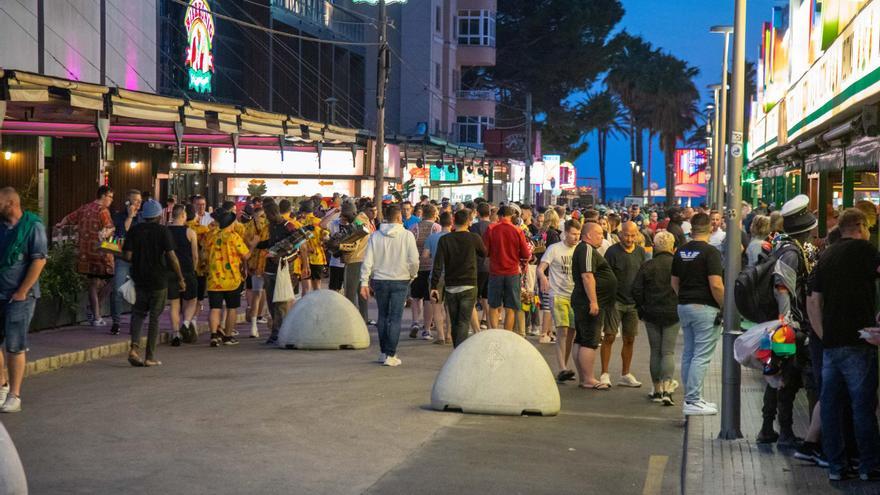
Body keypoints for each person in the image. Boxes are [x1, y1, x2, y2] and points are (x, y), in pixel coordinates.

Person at [808, 208, 880, 482]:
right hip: (859, 339)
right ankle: (868, 465)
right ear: (861, 226)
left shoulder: (827, 254)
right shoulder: (865, 251)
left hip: (830, 344)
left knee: (830, 404)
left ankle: (836, 466)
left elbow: (814, 300)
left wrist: (825, 334)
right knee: (862, 406)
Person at [756, 195, 817, 446]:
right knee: (785, 377)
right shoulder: (792, 253)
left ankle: (768, 428)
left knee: (777, 375)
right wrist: (787, 323)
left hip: (783, 325)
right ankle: (784, 432)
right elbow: (782, 288)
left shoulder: (783, 246)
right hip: (789, 327)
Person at [671, 213, 724, 416]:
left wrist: (685, 298)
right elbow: (716, 284)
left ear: (692, 229)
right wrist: (725, 307)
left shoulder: (681, 251)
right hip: (705, 308)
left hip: (684, 305)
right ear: (710, 228)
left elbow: (674, 283)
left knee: (689, 354)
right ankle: (693, 399)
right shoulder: (711, 253)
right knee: (701, 356)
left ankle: (691, 398)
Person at [0, 188, 47, 413]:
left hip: (20, 297)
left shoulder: (32, 227)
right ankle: (2, 385)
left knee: (15, 345)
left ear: (10, 203)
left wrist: (22, 291)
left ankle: (14, 395)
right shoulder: (1, 228)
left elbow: (39, 261)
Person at [122, 200, 185, 368]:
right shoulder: (163, 231)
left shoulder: (134, 231)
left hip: (139, 278)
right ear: (159, 216)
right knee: (154, 318)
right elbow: (172, 257)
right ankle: (149, 356)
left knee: (138, 314)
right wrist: (180, 278)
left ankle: (134, 349)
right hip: (159, 280)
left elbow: (127, 256)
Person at [360, 205, 419, 366]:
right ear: (399, 218)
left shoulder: (375, 236)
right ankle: (391, 354)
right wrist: (413, 274)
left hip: (379, 280)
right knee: (395, 318)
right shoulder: (407, 236)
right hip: (401, 279)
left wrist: (364, 281)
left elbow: (368, 261)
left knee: (383, 316)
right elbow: (414, 260)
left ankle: (383, 352)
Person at [56, 186, 115, 327]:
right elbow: (109, 229)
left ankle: (96, 315)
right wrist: (112, 239)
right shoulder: (103, 211)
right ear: (103, 196)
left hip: (85, 253)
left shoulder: (84, 208)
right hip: (101, 253)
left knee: (93, 284)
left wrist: (60, 224)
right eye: (110, 197)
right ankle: (96, 312)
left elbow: (69, 218)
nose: (111, 200)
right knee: (112, 280)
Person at [632, 231, 679, 406]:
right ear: (673, 247)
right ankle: (668, 389)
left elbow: (636, 290)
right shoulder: (677, 265)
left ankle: (657, 389)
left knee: (655, 351)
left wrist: (642, 309)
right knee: (668, 352)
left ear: (655, 246)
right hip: (673, 313)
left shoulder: (648, 265)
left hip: (651, 313)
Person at [430, 209, 486, 347]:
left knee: (455, 321)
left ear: (454, 221)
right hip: (469, 283)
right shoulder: (474, 238)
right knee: (463, 321)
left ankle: (457, 349)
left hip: (451, 285)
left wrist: (434, 286)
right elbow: (484, 253)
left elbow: (438, 264)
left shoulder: (445, 239)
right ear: (468, 222)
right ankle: (459, 351)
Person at [570, 222, 617, 390]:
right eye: (599, 234)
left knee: (581, 339)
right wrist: (594, 301)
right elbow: (587, 276)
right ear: (588, 235)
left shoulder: (584, 249)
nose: (602, 237)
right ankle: (589, 378)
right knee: (589, 341)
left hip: (584, 301)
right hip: (588, 303)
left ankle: (584, 377)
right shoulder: (587, 249)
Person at [602, 221, 647, 388]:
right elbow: (605, 276)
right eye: (627, 235)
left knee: (629, 339)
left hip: (633, 303)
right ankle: (604, 374)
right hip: (615, 302)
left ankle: (625, 374)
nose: (629, 238)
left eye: (633, 235)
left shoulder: (641, 253)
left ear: (637, 235)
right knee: (609, 336)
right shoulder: (612, 252)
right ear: (620, 234)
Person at [258, 202, 309, 346]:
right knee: (271, 302)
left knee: (281, 302)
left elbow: (299, 246)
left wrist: (302, 265)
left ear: (273, 213)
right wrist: (258, 245)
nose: (266, 218)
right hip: (269, 270)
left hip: (284, 270)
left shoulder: (289, 225)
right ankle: (276, 331)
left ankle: (278, 333)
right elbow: (271, 242)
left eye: (267, 215)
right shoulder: (271, 226)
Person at [537, 219, 581, 383]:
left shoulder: (580, 249)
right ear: (566, 233)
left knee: (571, 331)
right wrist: (543, 277)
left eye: (578, 234)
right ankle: (562, 367)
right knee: (562, 330)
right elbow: (541, 268)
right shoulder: (554, 249)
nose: (576, 237)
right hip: (558, 294)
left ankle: (565, 367)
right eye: (573, 234)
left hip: (575, 295)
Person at [205, 210, 250, 347]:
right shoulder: (234, 237)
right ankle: (228, 336)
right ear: (231, 223)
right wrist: (253, 245)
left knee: (215, 308)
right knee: (232, 308)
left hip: (214, 279)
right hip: (232, 279)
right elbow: (246, 255)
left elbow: (205, 252)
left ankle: (213, 335)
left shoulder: (211, 235)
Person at [483, 206, 532, 331]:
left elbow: (485, 251)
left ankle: (494, 332)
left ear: (499, 216)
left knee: (494, 305)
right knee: (510, 307)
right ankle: (507, 334)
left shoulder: (491, 228)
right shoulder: (518, 230)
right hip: (512, 273)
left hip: (495, 272)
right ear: (511, 216)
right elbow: (526, 254)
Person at [109, 189, 142, 335]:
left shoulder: (142, 218)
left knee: (138, 292)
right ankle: (116, 322)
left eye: (140, 201)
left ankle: (135, 322)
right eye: (136, 201)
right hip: (122, 258)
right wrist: (129, 217)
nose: (138, 204)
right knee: (116, 289)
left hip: (138, 259)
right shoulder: (118, 217)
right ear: (128, 202)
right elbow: (121, 234)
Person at [166, 205, 199, 347]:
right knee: (192, 299)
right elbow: (195, 255)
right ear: (183, 215)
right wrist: (194, 269)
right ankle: (185, 323)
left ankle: (175, 334)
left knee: (174, 304)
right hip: (187, 270)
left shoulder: (165, 231)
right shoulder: (190, 232)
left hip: (170, 270)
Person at [409, 204, 441, 339]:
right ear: (434, 214)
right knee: (428, 299)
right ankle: (426, 329)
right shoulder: (436, 228)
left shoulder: (414, 228)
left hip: (416, 266)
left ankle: (415, 322)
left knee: (416, 297)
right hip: (431, 267)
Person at [342, 206, 373, 325]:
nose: (344, 220)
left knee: (350, 292)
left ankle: (350, 320)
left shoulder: (356, 224)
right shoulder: (364, 221)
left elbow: (352, 244)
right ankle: (364, 319)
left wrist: (340, 247)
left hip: (354, 261)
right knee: (362, 291)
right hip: (364, 260)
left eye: (345, 217)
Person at [424, 212, 452, 343]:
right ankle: (449, 334)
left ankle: (440, 336)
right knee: (450, 307)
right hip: (452, 276)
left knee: (436, 306)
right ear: (451, 222)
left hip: (435, 276)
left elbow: (425, 255)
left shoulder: (432, 237)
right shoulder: (454, 237)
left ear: (439, 222)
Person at [469, 202, 492, 330]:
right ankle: (489, 324)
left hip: (476, 266)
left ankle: (475, 327)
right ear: (489, 213)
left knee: (472, 298)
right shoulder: (494, 227)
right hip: (491, 266)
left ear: (477, 213)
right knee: (487, 299)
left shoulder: (474, 228)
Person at [299, 201, 327, 296]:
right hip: (317, 257)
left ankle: (304, 309)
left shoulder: (299, 223)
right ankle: (317, 309)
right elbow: (325, 237)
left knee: (305, 289)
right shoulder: (319, 222)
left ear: (303, 212)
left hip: (303, 258)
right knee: (317, 288)